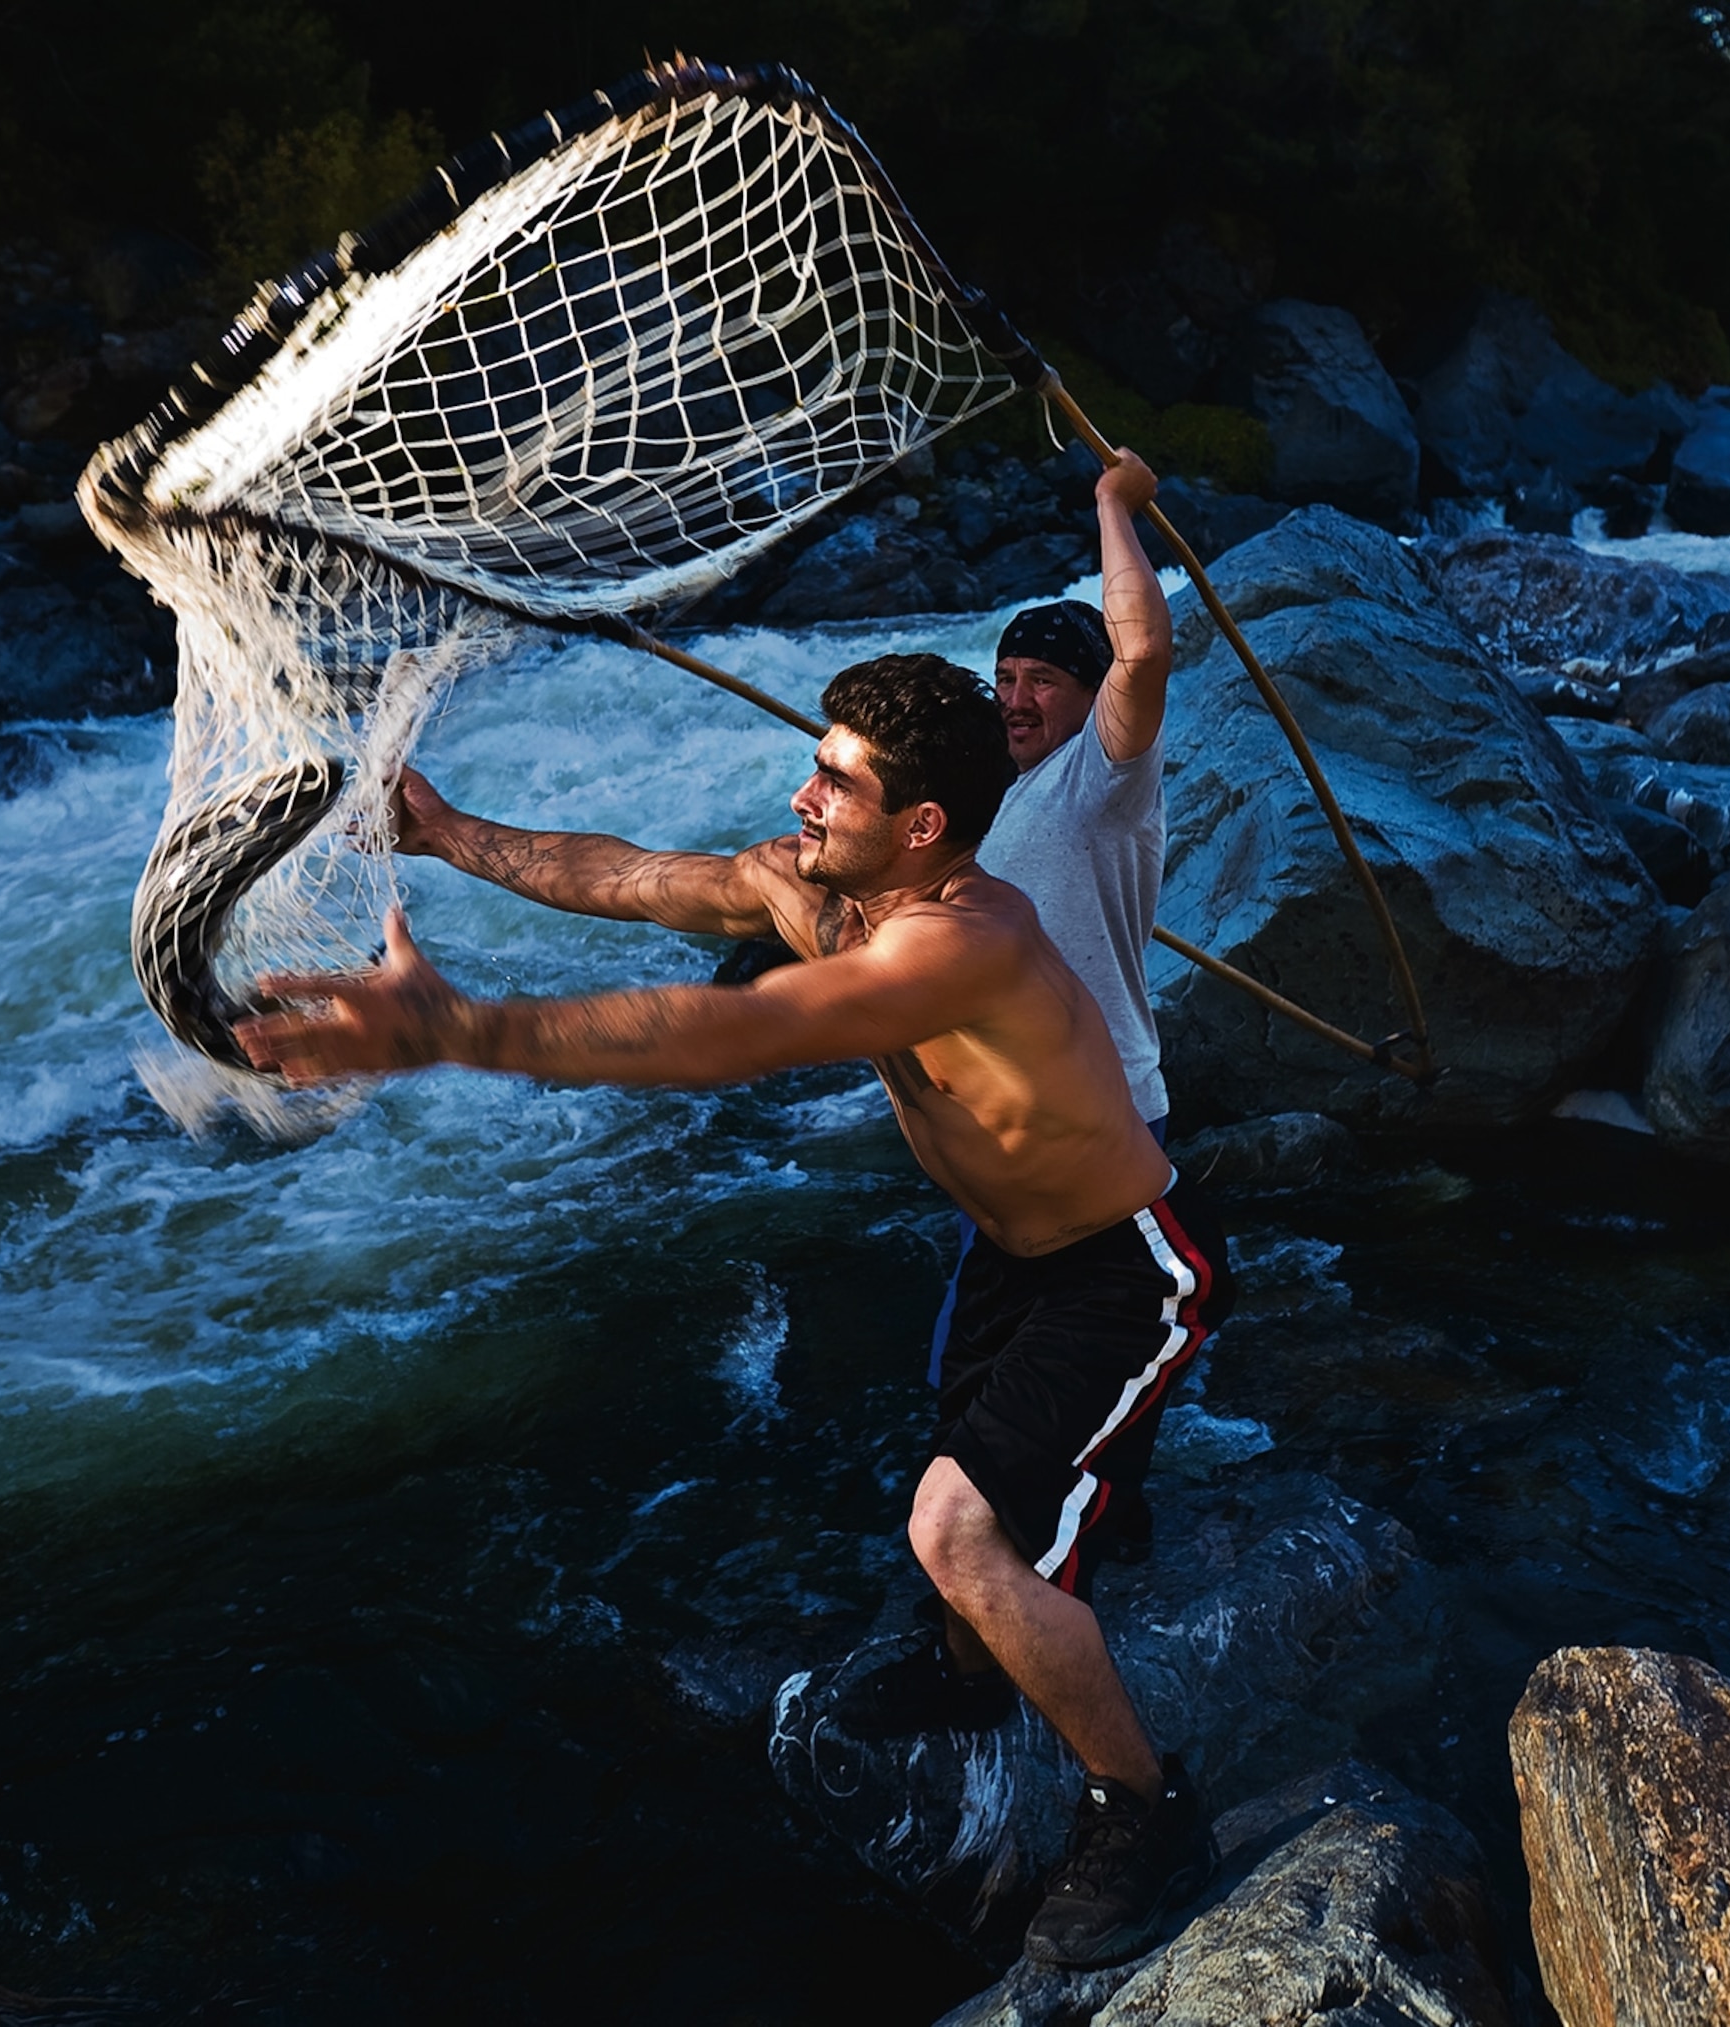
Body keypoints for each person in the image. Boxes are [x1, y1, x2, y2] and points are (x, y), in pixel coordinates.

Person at [240, 654, 1230, 1969]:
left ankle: (1146, 1808)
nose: (800, 792)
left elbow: (729, 1035)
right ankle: (966, 1669)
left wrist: (459, 1029)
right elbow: (633, 875)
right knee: (965, 1491)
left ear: (923, 825)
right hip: (1008, 1255)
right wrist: (444, 832)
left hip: (1124, 1267)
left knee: (960, 1529)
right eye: (816, 763)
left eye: (836, 779)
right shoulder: (830, 885)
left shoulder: (960, 943)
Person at [982, 447, 1176, 1138]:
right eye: (1005, 676)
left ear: (1096, 696)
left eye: (1042, 679)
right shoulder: (1000, 784)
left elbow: (1144, 651)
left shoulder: (1105, 775)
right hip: (1005, 1115)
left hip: (1102, 1112)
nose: (1015, 699)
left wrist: (1112, 503)